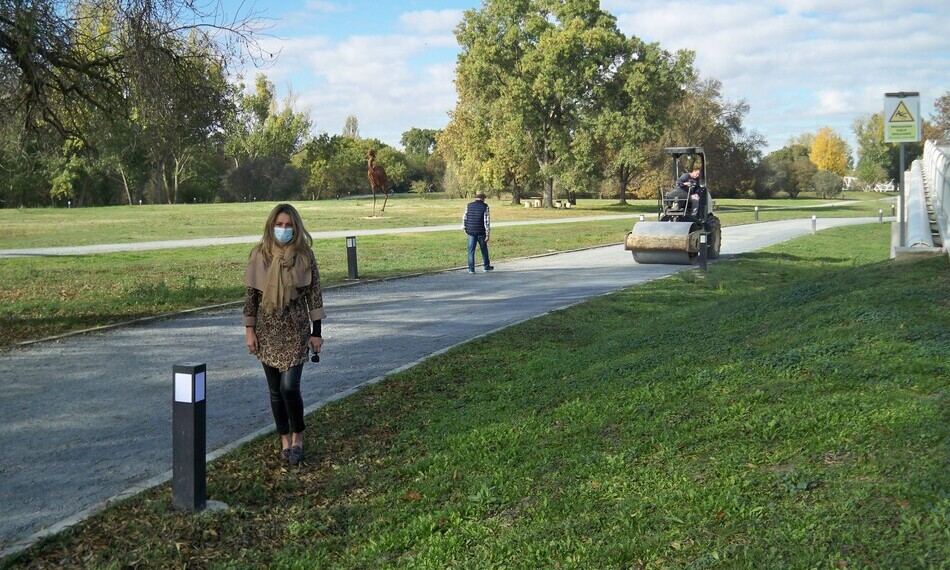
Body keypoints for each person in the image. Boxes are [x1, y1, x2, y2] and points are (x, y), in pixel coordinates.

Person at [243, 204, 325, 466]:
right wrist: (249, 330)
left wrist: (317, 333)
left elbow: (314, 296)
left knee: (290, 388)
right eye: (279, 225)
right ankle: (284, 439)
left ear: (296, 227)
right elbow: (251, 298)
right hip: (268, 331)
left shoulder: (304, 256)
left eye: (288, 225)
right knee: (275, 391)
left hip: (295, 329)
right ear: (271, 226)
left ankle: (298, 436)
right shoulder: (259, 255)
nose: (283, 229)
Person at [462, 191, 494, 273]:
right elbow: (486, 221)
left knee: (471, 250)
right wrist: (487, 234)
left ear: (476, 197)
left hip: (471, 231)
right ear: (483, 198)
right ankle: (486, 266)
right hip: (481, 232)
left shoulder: (469, 205)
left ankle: (471, 269)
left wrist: (465, 228)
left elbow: (464, 217)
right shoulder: (485, 206)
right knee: (484, 249)